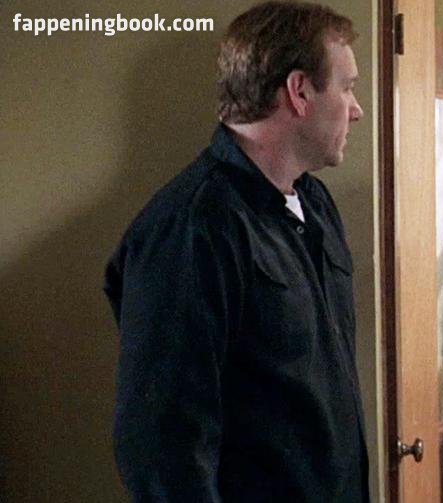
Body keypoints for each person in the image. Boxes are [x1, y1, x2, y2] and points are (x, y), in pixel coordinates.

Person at [104, 2, 366, 501]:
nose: (356, 109)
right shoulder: (192, 228)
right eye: (347, 87)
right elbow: (161, 447)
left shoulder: (315, 202)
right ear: (299, 91)